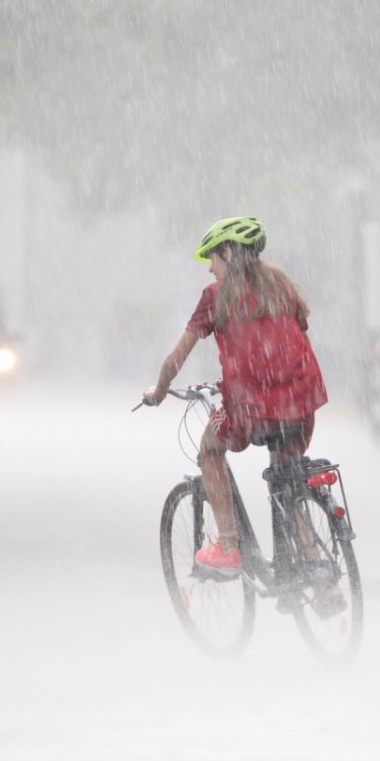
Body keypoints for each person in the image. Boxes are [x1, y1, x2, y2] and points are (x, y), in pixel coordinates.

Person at [146, 216, 327, 575]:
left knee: (210, 450)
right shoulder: (281, 284)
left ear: (228, 252)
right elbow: (296, 339)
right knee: (287, 483)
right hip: (300, 401)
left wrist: (160, 390)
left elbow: (177, 356)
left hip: (251, 407)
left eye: (212, 259)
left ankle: (228, 545)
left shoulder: (216, 296)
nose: (210, 270)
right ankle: (319, 572)